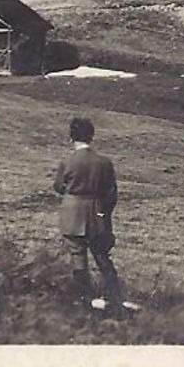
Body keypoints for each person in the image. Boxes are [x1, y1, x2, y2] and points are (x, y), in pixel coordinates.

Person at [52, 116, 129, 311]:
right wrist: (104, 213)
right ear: (92, 137)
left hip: (72, 214)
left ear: (71, 137)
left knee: (78, 258)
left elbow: (59, 187)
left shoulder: (67, 161)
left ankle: (85, 300)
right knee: (102, 256)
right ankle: (114, 298)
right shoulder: (103, 162)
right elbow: (111, 193)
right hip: (96, 214)